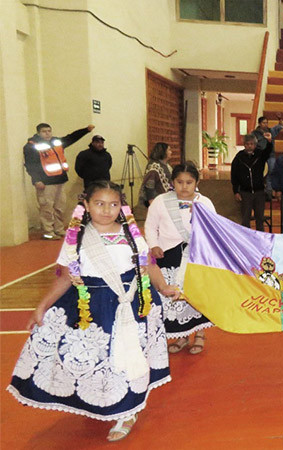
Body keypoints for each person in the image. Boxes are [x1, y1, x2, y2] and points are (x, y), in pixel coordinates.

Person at [9, 181, 178, 442]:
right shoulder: (76, 239)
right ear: (86, 205)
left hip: (129, 304)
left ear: (121, 207)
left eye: (113, 204)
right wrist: (41, 307)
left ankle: (127, 411)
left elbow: (149, 266)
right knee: (100, 358)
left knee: (126, 356)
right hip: (93, 308)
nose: (107, 210)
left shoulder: (132, 235)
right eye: (99, 204)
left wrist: (164, 285)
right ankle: (105, 398)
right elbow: (66, 278)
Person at [145, 163, 215, 354]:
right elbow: (151, 226)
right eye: (180, 182)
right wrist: (154, 245)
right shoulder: (160, 201)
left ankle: (199, 333)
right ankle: (182, 335)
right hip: (167, 254)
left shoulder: (204, 202)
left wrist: (201, 218)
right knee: (174, 297)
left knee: (195, 295)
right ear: (172, 182)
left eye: (189, 182)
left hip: (194, 256)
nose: (184, 187)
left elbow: (214, 230)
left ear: (196, 182)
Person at [23, 122, 94, 239]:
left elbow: (71, 138)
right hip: (45, 182)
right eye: (44, 131)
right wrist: (36, 180)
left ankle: (59, 229)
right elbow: (31, 164)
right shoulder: (31, 146)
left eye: (49, 131)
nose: (47, 133)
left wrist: (86, 130)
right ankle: (48, 232)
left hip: (60, 180)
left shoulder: (56, 142)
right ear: (38, 133)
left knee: (60, 207)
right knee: (46, 208)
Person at [231, 134, 272, 231]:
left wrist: (269, 142)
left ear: (255, 145)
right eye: (247, 144)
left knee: (260, 219)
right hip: (245, 193)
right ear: (244, 145)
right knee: (245, 219)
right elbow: (234, 175)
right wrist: (236, 191)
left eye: (252, 144)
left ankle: (260, 241)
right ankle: (246, 241)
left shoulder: (260, 155)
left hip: (259, 192)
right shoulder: (238, 157)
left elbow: (268, 152)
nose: (249, 146)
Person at [138, 142, 172, 208]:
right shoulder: (154, 167)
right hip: (157, 202)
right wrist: (152, 204)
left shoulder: (166, 165)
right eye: (169, 150)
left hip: (165, 201)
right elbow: (149, 186)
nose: (171, 152)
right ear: (163, 152)